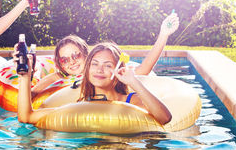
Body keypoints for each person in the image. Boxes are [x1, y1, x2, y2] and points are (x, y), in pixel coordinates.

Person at [17, 42, 172, 126]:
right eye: (95, 64)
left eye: (108, 65)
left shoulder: (131, 100)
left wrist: (133, 81)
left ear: (117, 70)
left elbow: (164, 118)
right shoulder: (80, 105)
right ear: (88, 68)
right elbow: (26, 117)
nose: (100, 69)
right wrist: (25, 75)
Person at [29, 12, 179, 96]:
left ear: (86, 55)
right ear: (59, 63)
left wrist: (163, 34)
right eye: (65, 59)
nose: (72, 62)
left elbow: (144, 70)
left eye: (76, 56)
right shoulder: (58, 77)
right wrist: (28, 75)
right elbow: (32, 94)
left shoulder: (105, 73)